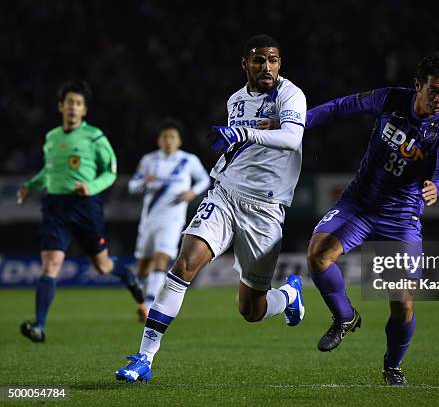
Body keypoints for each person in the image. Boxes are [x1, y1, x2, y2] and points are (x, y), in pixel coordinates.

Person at [115, 34, 307, 382]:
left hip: (265, 209)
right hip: (226, 195)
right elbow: (240, 147)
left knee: (251, 310)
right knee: (183, 265)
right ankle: (144, 358)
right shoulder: (235, 100)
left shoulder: (290, 95)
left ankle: (290, 293)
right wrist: (230, 150)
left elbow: (292, 138)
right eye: (259, 60)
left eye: (273, 60)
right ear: (245, 64)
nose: (267, 67)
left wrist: (244, 135)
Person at [305, 51, 439, 385]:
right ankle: (344, 317)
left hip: (401, 218)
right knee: (318, 254)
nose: (438, 99)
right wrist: (299, 121)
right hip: (358, 203)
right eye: (433, 90)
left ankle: (393, 366)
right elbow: (340, 107)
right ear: (418, 85)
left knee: (402, 305)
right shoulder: (390, 99)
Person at [17, 80, 144, 343]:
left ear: (84, 110)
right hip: (55, 207)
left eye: (78, 103)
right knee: (50, 264)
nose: (73, 108)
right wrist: (31, 186)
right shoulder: (51, 138)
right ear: (60, 107)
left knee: (102, 266)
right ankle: (39, 326)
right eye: (69, 103)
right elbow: (49, 170)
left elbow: (110, 172)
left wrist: (91, 186)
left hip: (85, 207)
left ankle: (128, 277)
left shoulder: (95, 137)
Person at [128, 118, 211, 321]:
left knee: (161, 258)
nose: (168, 141)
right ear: (159, 140)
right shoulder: (149, 161)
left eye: (172, 137)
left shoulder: (187, 160)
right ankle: (145, 302)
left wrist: (192, 192)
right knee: (142, 267)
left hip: (172, 219)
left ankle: (149, 306)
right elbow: (132, 185)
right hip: (149, 219)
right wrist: (142, 183)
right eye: (165, 137)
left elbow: (204, 179)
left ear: (179, 141)